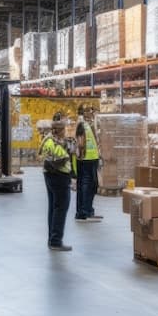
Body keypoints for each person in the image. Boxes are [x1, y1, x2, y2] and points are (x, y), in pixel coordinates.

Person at [40, 119, 74, 251]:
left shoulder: (48, 140)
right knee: (61, 207)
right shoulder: (55, 143)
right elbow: (63, 158)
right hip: (59, 176)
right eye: (64, 130)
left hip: (49, 175)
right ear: (60, 131)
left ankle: (52, 238)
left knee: (53, 207)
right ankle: (55, 240)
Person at [74, 104, 103, 222]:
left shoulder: (87, 123)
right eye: (89, 110)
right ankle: (84, 212)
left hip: (90, 158)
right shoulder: (81, 123)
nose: (92, 112)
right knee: (87, 185)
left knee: (89, 185)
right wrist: (81, 154)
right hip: (86, 159)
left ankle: (86, 211)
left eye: (92, 110)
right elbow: (80, 142)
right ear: (83, 112)